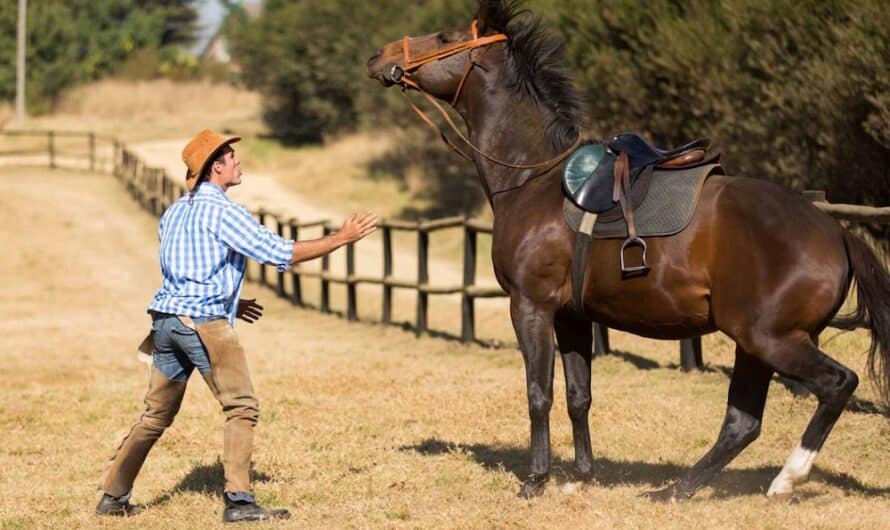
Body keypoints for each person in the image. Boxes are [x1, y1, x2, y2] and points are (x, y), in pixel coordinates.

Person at [96, 129, 377, 523]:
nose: (238, 161)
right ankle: (240, 503)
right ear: (216, 167)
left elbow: (183, 270)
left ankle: (112, 496)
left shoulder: (175, 211)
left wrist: (232, 300)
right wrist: (342, 238)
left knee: (155, 416)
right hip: (203, 326)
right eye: (231, 156)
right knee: (241, 407)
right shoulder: (223, 211)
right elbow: (280, 253)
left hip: (165, 322)